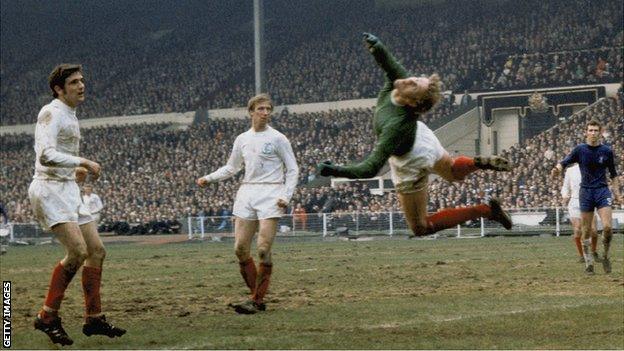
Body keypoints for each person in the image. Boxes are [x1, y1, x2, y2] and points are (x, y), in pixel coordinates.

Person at [318, 33, 513, 237]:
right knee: (453, 171)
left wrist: (336, 170)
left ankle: (485, 211)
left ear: (412, 103)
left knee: (420, 227)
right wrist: (378, 48)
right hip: (423, 137)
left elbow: (370, 168)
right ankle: (477, 163)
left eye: (414, 84)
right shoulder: (402, 85)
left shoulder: (396, 127)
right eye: (416, 78)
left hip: (411, 158)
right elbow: (390, 64)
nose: (409, 79)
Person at [28, 64, 125, 346]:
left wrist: (74, 173)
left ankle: (94, 318)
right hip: (48, 190)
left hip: (68, 188)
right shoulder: (51, 113)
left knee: (97, 251)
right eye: (73, 82)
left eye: (82, 80)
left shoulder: (71, 114)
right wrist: (82, 162)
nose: (81, 85)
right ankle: (47, 316)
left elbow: (60, 157)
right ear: (59, 89)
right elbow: (45, 155)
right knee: (77, 252)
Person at [197, 94, 299, 314]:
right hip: (247, 191)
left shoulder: (278, 138)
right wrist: (209, 178)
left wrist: (286, 196)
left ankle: (256, 299)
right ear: (251, 111)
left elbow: (292, 169)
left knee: (263, 248)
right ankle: (257, 296)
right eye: (261, 109)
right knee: (240, 249)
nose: (265, 113)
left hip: (272, 192)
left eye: (268, 109)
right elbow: (231, 168)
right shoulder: (242, 139)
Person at [552, 119, 621, 275]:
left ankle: (605, 255)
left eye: (596, 130)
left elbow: (614, 174)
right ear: (586, 132)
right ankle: (589, 263)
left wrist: (617, 193)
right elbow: (564, 162)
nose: (593, 133)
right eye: (590, 130)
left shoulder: (606, 151)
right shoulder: (580, 149)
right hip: (586, 192)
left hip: (602, 191)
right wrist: (556, 169)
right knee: (586, 231)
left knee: (608, 227)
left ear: (600, 132)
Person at [560, 163, 600, 262]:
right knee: (577, 230)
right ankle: (582, 256)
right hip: (575, 202)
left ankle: (594, 251)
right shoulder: (570, 170)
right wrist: (565, 196)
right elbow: (565, 187)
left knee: (594, 231)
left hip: (589, 200)